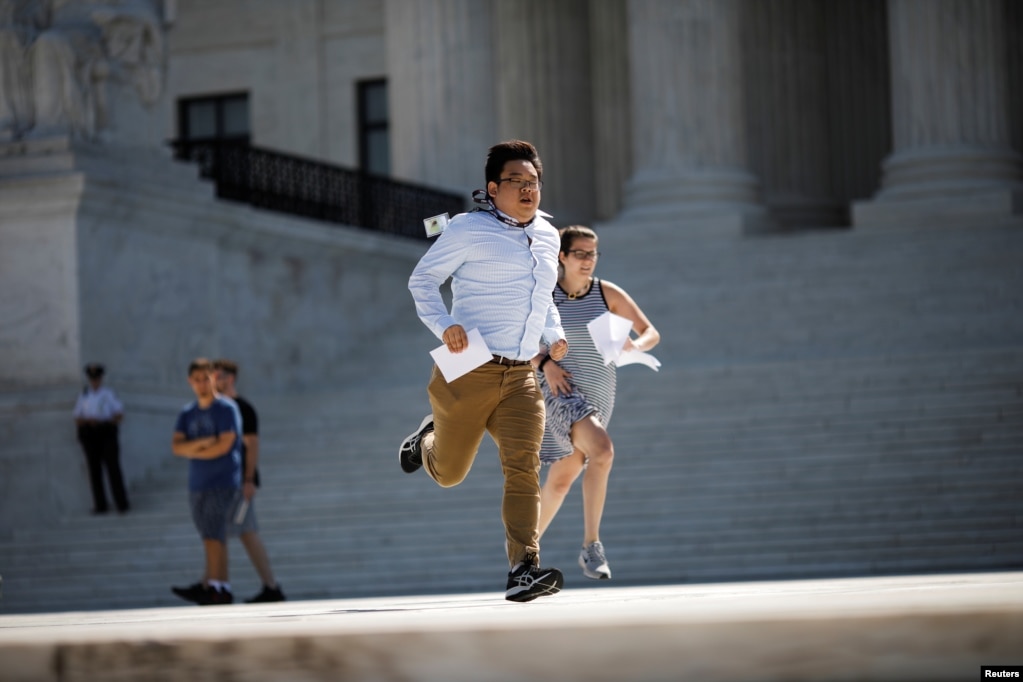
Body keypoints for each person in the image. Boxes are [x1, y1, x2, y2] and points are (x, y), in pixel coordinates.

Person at [400, 139, 569, 603]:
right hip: (467, 366)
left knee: (523, 467)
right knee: (450, 473)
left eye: (533, 182)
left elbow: (544, 297)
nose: (528, 190)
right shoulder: (467, 230)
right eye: (517, 182)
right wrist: (445, 324)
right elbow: (422, 280)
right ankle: (426, 441)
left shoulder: (550, 236)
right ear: (493, 189)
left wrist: (552, 334)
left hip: (519, 375)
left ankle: (523, 569)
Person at [534, 225, 660, 581]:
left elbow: (651, 331)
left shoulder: (607, 293)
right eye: (581, 254)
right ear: (562, 256)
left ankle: (522, 552)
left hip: (600, 393)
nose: (588, 260)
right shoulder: (544, 295)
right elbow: (518, 341)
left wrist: (636, 346)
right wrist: (545, 364)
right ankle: (592, 545)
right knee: (602, 451)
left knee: (562, 479)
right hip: (558, 390)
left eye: (593, 253)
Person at [212, 358, 286, 603]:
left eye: (218, 375)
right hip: (222, 480)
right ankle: (219, 586)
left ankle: (221, 587)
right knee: (227, 532)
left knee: (240, 531)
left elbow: (252, 445)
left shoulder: (242, 408)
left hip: (239, 481)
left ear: (230, 378)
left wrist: (248, 479)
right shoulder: (218, 408)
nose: (214, 380)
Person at [170, 358, 242, 606]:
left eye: (206, 378)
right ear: (190, 381)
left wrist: (193, 449)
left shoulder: (226, 408)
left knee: (214, 533)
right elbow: (176, 446)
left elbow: (224, 444)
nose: (201, 384)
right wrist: (202, 444)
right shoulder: (187, 412)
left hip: (222, 480)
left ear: (214, 378)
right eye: (196, 380)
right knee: (209, 535)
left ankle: (217, 586)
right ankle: (220, 586)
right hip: (197, 482)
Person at [72, 363, 130, 514]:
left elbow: (119, 414)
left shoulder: (109, 394)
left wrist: (103, 421)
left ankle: (121, 503)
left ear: (101, 379)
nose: (94, 382)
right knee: (94, 470)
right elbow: (77, 416)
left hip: (106, 433)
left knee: (113, 468)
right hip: (90, 435)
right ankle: (100, 504)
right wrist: (89, 421)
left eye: (97, 379)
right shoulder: (84, 395)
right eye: (92, 379)